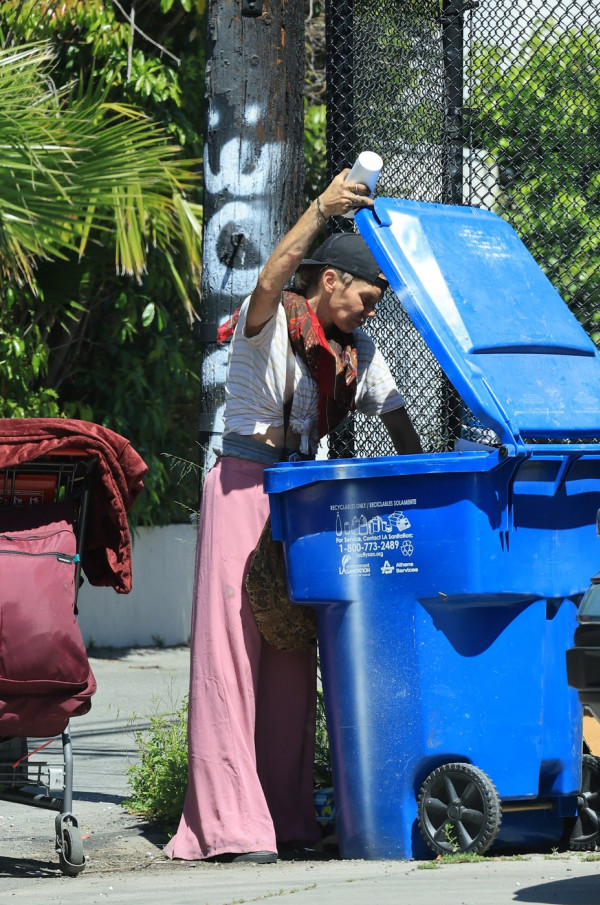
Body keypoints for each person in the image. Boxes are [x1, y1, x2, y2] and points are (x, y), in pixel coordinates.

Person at [164, 171, 422, 865]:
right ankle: (226, 826)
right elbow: (276, 269)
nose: (371, 311)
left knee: (289, 660)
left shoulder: (357, 353)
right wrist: (321, 209)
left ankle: (284, 821)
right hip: (244, 485)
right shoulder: (270, 318)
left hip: (300, 503)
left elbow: (399, 419)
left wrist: (418, 477)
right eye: (367, 297)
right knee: (231, 658)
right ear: (332, 280)